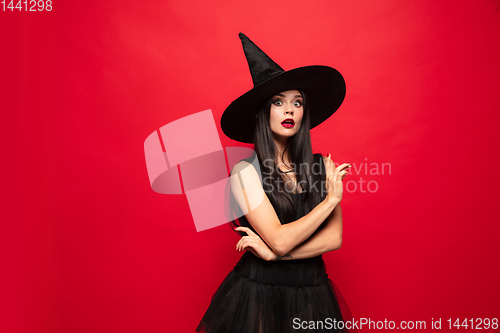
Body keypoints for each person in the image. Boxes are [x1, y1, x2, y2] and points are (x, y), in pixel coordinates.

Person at [196, 33, 357, 333]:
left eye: (297, 102)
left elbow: (333, 239)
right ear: (263, 112)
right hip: (259, 293)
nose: (289, 110)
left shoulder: (321, 166)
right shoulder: (245, 173)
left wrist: (275, 255)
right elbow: (279, 238)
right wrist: (331, 201)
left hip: (312, 290)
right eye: (278, 102)